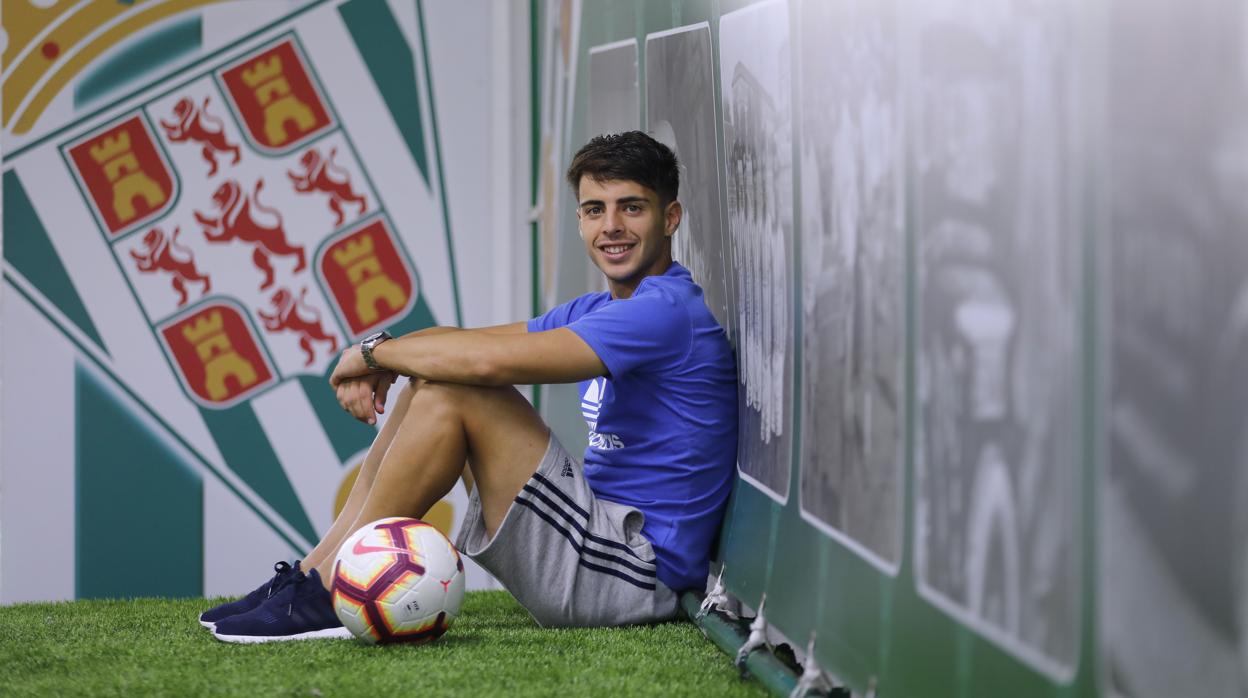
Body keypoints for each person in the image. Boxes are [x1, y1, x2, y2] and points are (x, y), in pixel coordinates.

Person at [201, 131, 738, 642]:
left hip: (633, 574)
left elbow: (483, 365)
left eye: (632, 207)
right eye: (596, 209)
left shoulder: (664, 313)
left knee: (455, 388)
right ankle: (313, 574)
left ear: (670, 218)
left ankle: (329, 587)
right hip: (599, 543)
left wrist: (368, 354)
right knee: (436, 376)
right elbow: (459, 341)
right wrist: (388, 354)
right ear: (579, 221)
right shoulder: (602, 307)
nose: (612, 226)